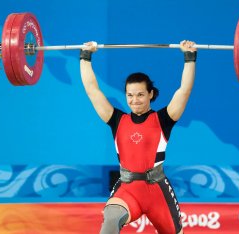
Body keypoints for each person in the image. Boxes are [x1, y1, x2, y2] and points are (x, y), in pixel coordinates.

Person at [80, 40, 197, 234]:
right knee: (111, 218)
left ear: (151, 94)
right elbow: (93, 91)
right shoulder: (116, 119)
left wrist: (189, 57)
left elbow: (184, 90)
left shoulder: (164, 119)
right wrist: (85, 56)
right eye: (130, 95)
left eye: (140, 94)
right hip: (128, 189)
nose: (135, 100)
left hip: (157, 191)